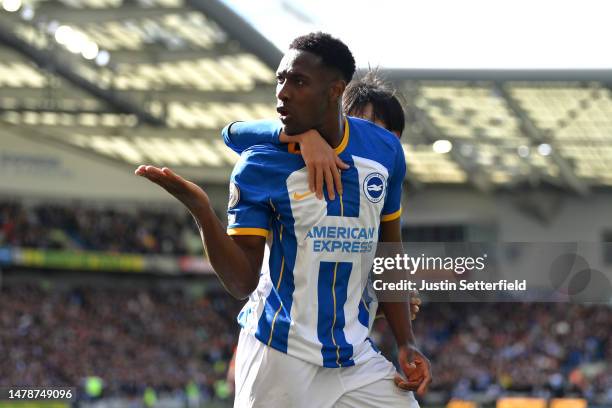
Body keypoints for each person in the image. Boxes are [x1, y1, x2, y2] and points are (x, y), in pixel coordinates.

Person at [136, 32, 431, 407]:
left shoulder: (385, 151)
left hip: (353, 354)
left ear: (335, 90)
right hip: (280, 354)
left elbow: (390, 250)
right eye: (281, 79)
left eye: (299, 81)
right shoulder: (260, 164)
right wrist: (202, 211)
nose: (283, 92)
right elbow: (242, 280)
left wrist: (406, 340)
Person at [223, 72, 422, 391]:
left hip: (340, 352)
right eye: (359, 124)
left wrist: (382, 304)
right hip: (279, 339)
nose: (365, 137)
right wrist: (300, 137)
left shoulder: (375, 187)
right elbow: (232, 133)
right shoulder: (293, 163)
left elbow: (363, 270)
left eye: (382, 134)